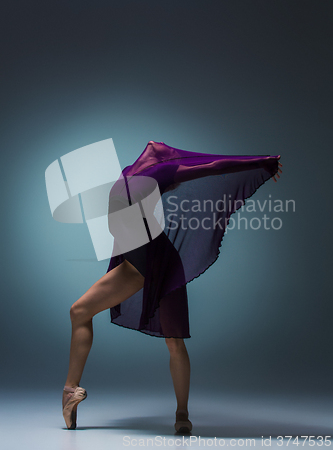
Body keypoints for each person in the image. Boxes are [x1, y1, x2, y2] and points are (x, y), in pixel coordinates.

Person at [62, 141, 282, 432]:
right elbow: (211, 165)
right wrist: (260, 161)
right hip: (159, 259)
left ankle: (70, 390)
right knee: (174, 342)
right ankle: (182, 416)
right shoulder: (157, 174)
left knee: (80, 311)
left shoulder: (138, 173)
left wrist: (259, 161)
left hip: (143, 261)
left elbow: (210, 166)